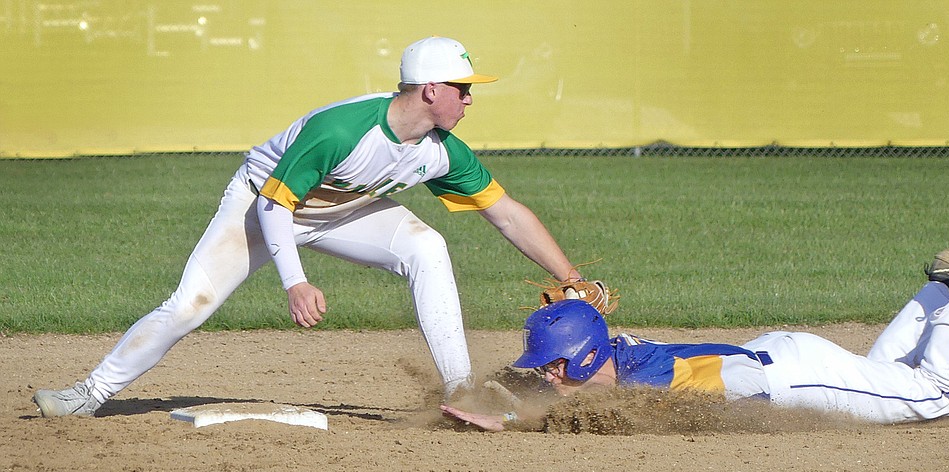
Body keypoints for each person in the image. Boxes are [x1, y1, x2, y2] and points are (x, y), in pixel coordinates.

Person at [33, 36, 595, 417]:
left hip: (341, 211)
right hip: (261, 205)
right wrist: (294, 281)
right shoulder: (339, 131)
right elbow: (276, 206)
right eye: (463, 88)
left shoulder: (442, 152)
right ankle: (91, 392)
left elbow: (506, 212)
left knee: (427, 246)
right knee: (189, 304)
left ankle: (460, 391)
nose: (470, 98)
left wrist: (569, 273)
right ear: (430, 90)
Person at [442, 210, 949, 430]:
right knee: (878, 375)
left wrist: (512, 417)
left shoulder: (642, 385)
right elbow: (571, 386)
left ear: (581, 356)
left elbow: (594, 411)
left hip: (792, 373)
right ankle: (938, 290)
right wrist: (507, 389)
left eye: (552, 366)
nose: (546, 378)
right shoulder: (611, 352)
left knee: (938, 395)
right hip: (785, 356)